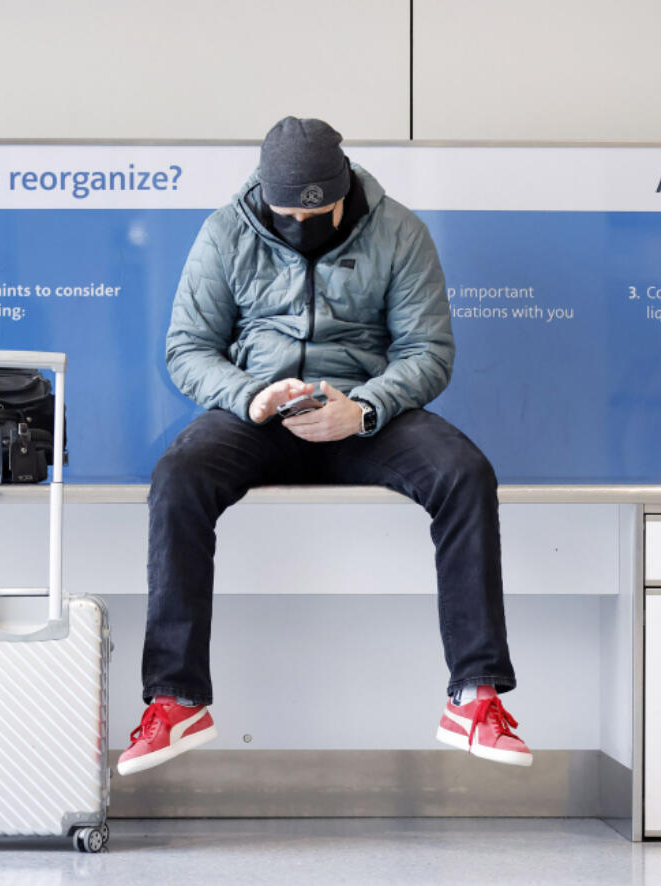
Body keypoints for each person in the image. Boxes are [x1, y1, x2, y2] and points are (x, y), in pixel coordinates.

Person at [117, 117, 531, 776]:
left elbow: (429, 352)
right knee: (178, 474)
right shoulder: (225, 232)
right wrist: (248, 394)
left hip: (365, 411)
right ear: (264, 196)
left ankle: (474, 695)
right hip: (259, 411)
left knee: (464, 472)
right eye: (286, 214)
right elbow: (187, 347)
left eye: (318, 212)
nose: (302, 224)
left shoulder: (401, 231)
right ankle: (176, 698)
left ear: (344, 193)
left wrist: (363, 408)